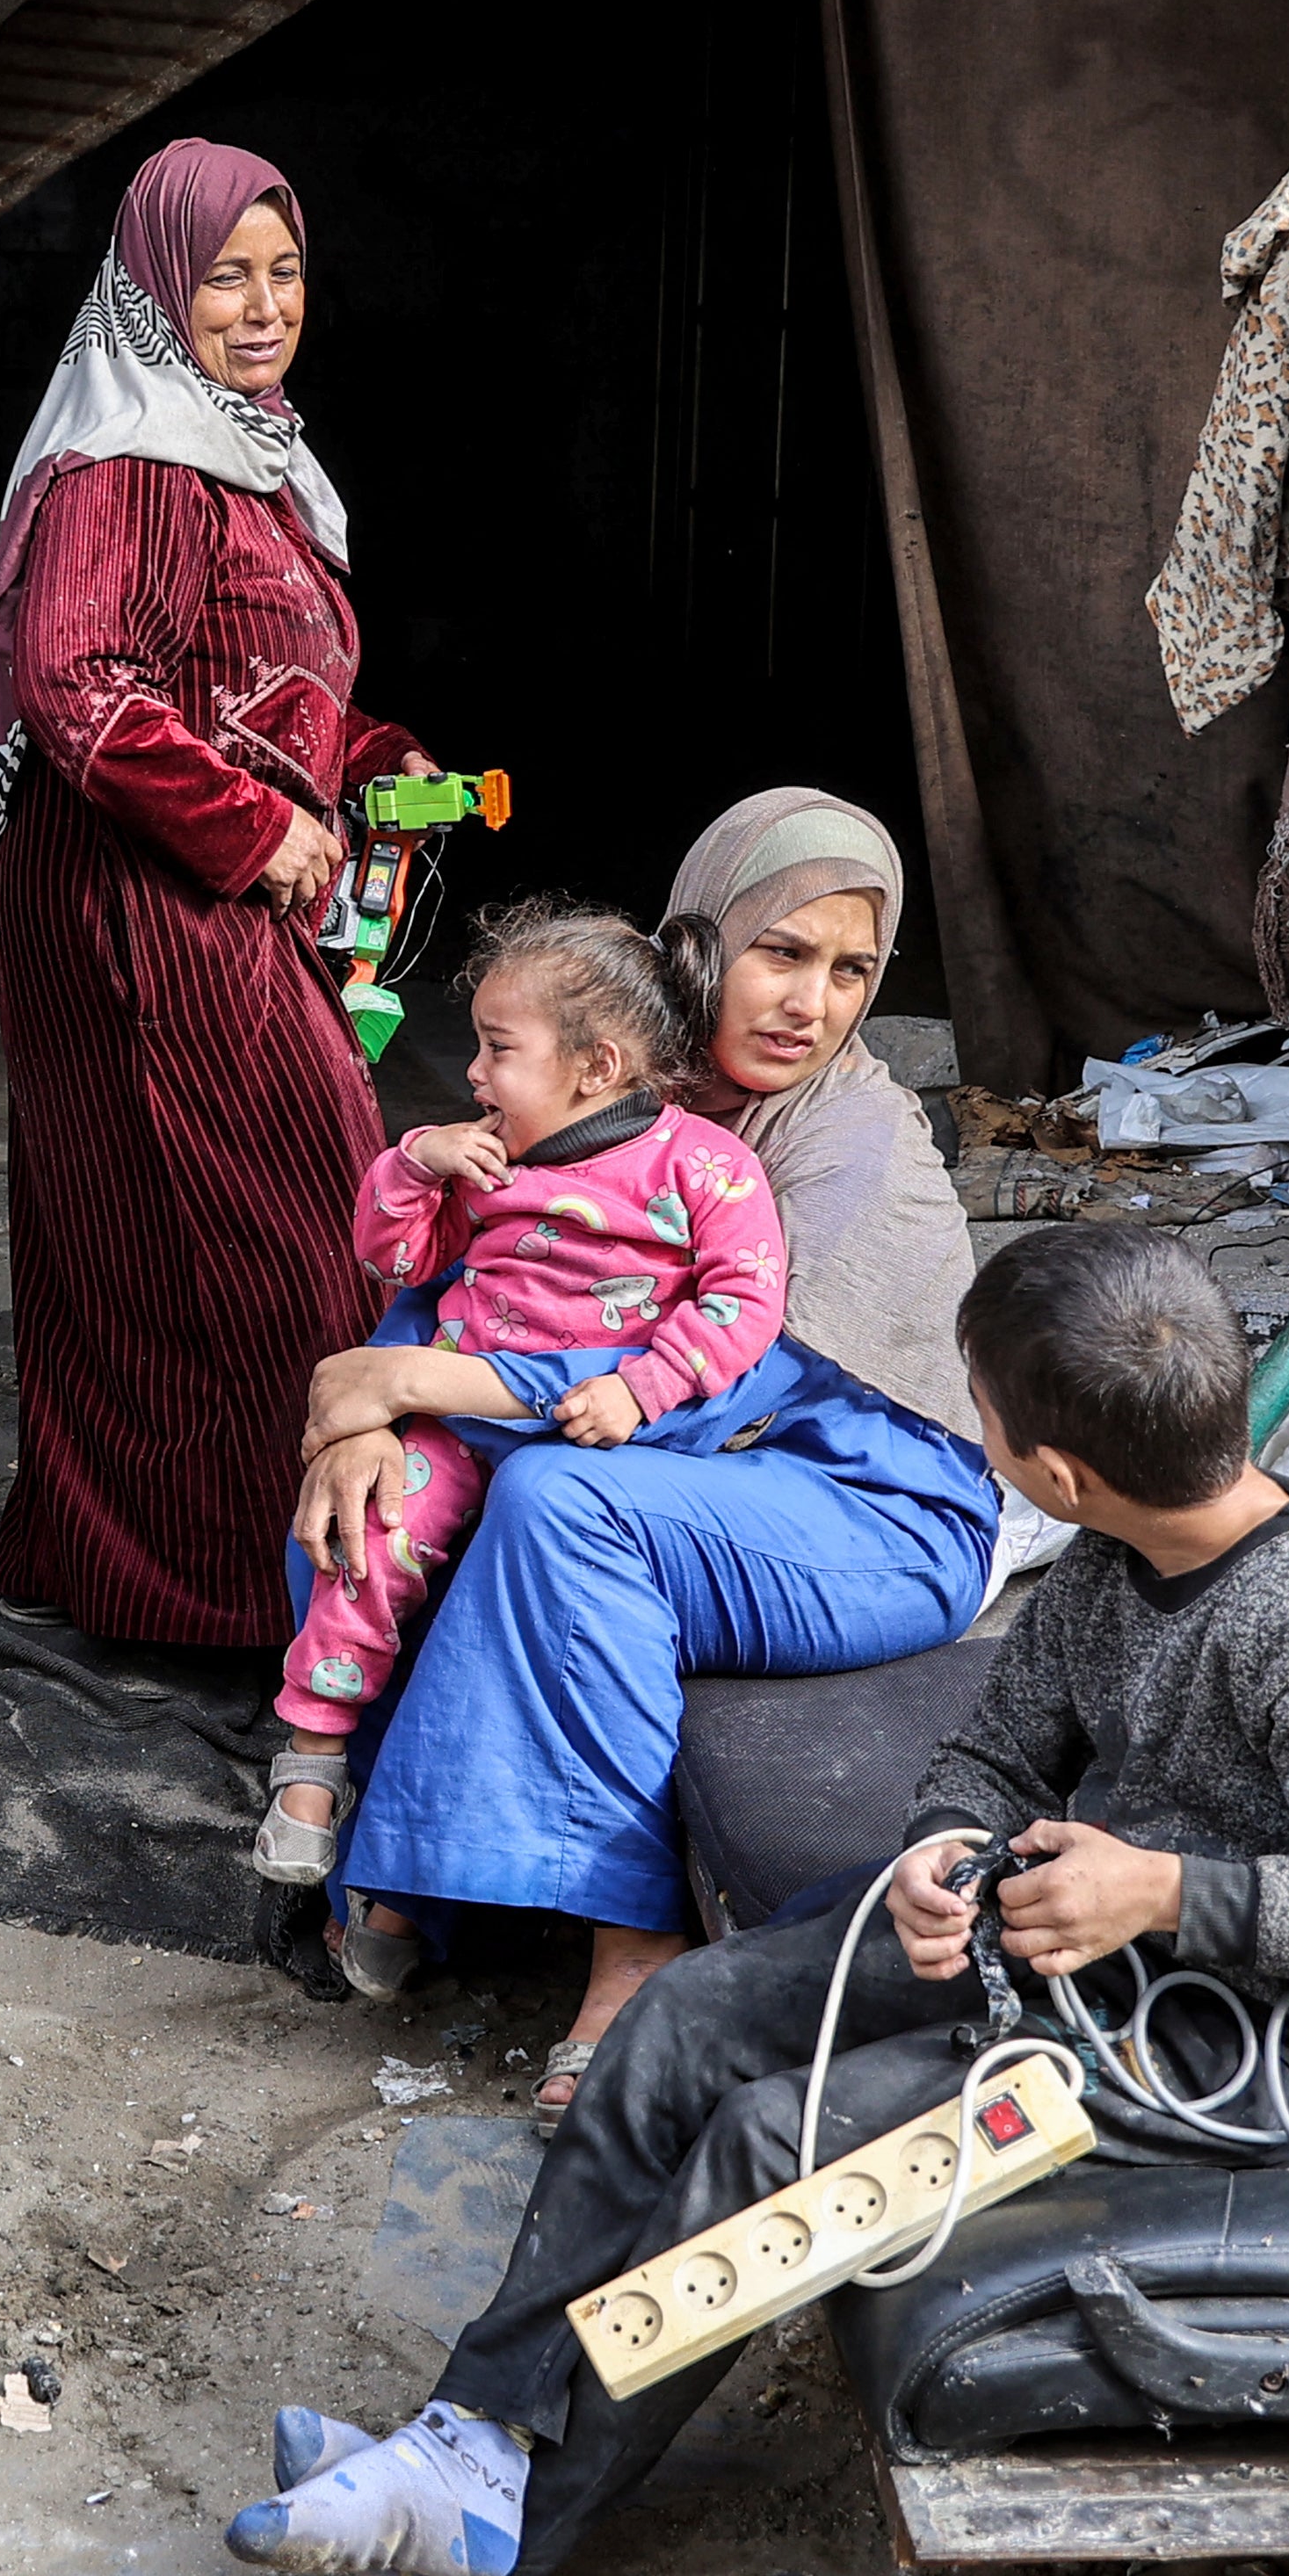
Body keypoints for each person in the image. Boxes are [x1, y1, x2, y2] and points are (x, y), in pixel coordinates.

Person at [223, 1220, 1289, 2576]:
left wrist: (1166, 1893)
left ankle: (510, 2540)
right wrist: (942, 1855)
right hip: (1076, 1936)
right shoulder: (1103, 1557)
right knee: (685, 2019)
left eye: (985, 1422)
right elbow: (995, 1757)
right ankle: (472, 2435)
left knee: (771, 2139)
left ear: (1055, 1471)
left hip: (1236, 2038)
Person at [293, 789, 994, 2117]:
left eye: (852, 971)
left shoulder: (845, 1143)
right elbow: (508, 1277)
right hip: (707, 1480)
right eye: (779, 952)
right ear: (695, 946)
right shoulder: (621, 1094)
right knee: (380, 1495)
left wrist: (418, 1379)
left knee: (563, 1499)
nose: (813, 1004)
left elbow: (705, 1390)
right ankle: (407, 1882)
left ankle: (636, 1953)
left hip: (870, 1512)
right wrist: (373, 1407)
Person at [0, 140, 442, 1646]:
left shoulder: (246, 456)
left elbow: (247, 688)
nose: (261, 305)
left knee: (181, 1232)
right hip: (138, 908)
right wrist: (257, 828)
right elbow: (80, 686)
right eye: (222, 275)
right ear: (154, 290)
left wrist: (369, 757)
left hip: (196, 893)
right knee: (271, 1226)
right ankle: (257, 1595)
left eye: (284, 270)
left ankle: (163, 1570)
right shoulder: (127, 464)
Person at [255, 905, 786, 1887]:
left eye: (498, 1049)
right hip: (465, 1420)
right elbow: (396, 1256)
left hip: (600, 1438)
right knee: (372, 1535)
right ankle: (314, 1756)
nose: (474, 1072)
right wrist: (415, 1163)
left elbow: (746, 1301)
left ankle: (433, 1870)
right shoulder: (490, 1159)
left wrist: (643, 1387)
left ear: (597, 1066)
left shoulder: (705, 1167)